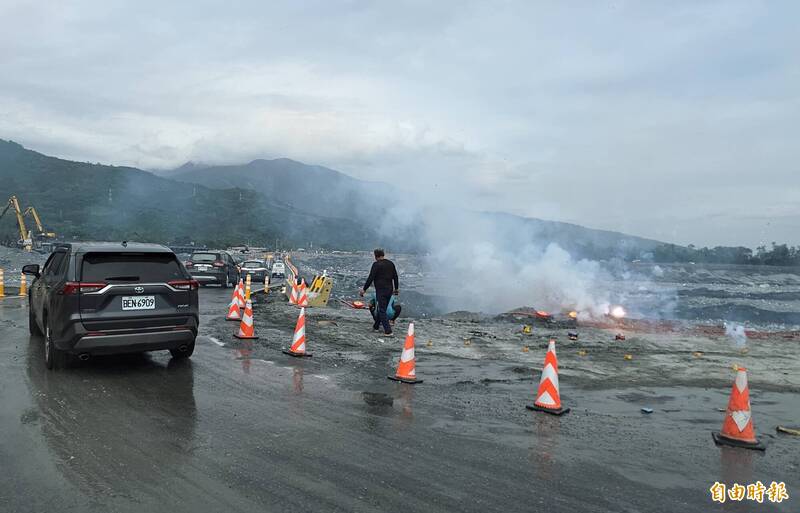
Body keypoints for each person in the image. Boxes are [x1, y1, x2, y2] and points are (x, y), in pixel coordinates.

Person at [359, 248, 399, 335]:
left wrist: (364, 289)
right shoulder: (391, 263)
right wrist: (396, 288)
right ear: (383, 255)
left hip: (381, 290)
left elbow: (371, 278)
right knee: (383, 309)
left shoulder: (376, 264)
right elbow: (395, 277)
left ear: (375, 256)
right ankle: (376, 326)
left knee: (381, 310)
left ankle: (388, 331)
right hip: (389, 289)